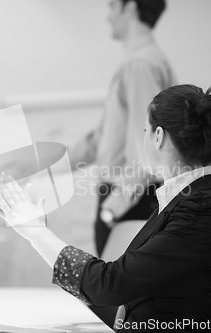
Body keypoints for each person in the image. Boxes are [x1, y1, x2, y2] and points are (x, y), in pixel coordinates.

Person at [0, 84, 211, 332]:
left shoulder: (201, 210)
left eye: (144, 129)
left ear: (158, 136)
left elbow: (112, 285)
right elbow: (125, 300)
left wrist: (36, 233)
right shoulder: (184, 202)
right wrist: (39, 235)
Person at [68, 0, 176, 258]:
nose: (107, 16)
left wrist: (112, 210)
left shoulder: (140, 64)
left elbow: (148, 146)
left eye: (112, 6)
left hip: (129, 201)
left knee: (114, 295)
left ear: (130, 8)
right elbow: (102, 139)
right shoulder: (142, 62)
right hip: (128, 198)